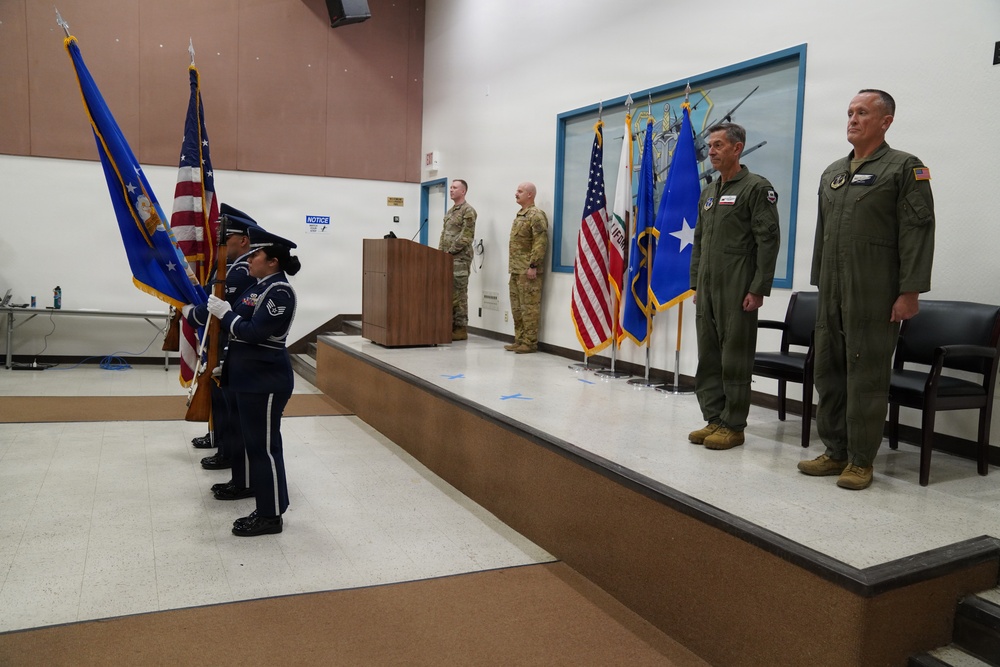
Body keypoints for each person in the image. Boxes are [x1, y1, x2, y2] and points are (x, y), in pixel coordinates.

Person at [798, 89, 934, 490]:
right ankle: (834, 451)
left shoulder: (904, 168)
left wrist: (910, 292)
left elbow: (917, 231)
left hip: (874, 291)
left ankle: (861, 461)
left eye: (862, 112)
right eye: (850, 112)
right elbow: (823, 232)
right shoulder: (833, 172)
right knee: (829, 371)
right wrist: (820, 281)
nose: (853, 119)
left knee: (866, 375)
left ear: (886, 121)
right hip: (832, 290)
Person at [688, 123, 780, 451]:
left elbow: (768, 241)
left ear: (737, 148)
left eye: (718, 145)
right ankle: (714, 418)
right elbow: (699, 241)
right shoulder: (709, 193)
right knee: (709, 356)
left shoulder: (756, 188)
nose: (711, 151)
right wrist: (696, 283)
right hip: (708, 287)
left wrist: (758, 288)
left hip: (738, 286)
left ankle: (733, 425)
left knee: (734, 357)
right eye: (710, 146)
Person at [204, 225, 301, 536]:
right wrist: (227, 363)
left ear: (272, 261)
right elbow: (240, 332)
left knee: (265, 448)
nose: (248, 259)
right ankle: (264, 503)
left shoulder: (280, 291)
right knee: (253, 444)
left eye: (254, 255)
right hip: (248, 376)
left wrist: (226, 315)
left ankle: (271, 516)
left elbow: (255, 332)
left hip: (265, 381)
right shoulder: (259, 287)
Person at [185, 205, 260, 481]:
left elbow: (213, 305)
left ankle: (228, 452)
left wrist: (190, 314)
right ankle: (221, 443)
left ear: (243, 240)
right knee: (220, 401)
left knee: (228, 404)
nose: (221, 244)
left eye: (226, 238)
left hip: (228, 344)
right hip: (220, 343)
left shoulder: (241, 271)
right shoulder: (232, 267)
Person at [506, 182, 548, 354]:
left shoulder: (536, 215)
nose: (516, 193)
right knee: (517, 308)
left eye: (520, 191)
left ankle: (530, 343)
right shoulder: (520, 215)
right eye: (517, 190)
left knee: (529, 308)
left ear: (530, 194)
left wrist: (533, 265)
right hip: (516, 270)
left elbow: (540, 242)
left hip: (528, 270)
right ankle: (520, 340)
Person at [438, 179, 477, 341]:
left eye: (455, 188)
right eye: (451, 187)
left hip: (459, 259)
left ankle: (460, 329)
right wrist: (440, 254)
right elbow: (444, 235)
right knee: (448, 292)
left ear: (463, 191)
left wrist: (450, 252)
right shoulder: (450, 211)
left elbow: (466, 237)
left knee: (459, 294)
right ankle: (449, 325)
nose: (451, 190)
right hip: (447, 258)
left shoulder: (468, 211)